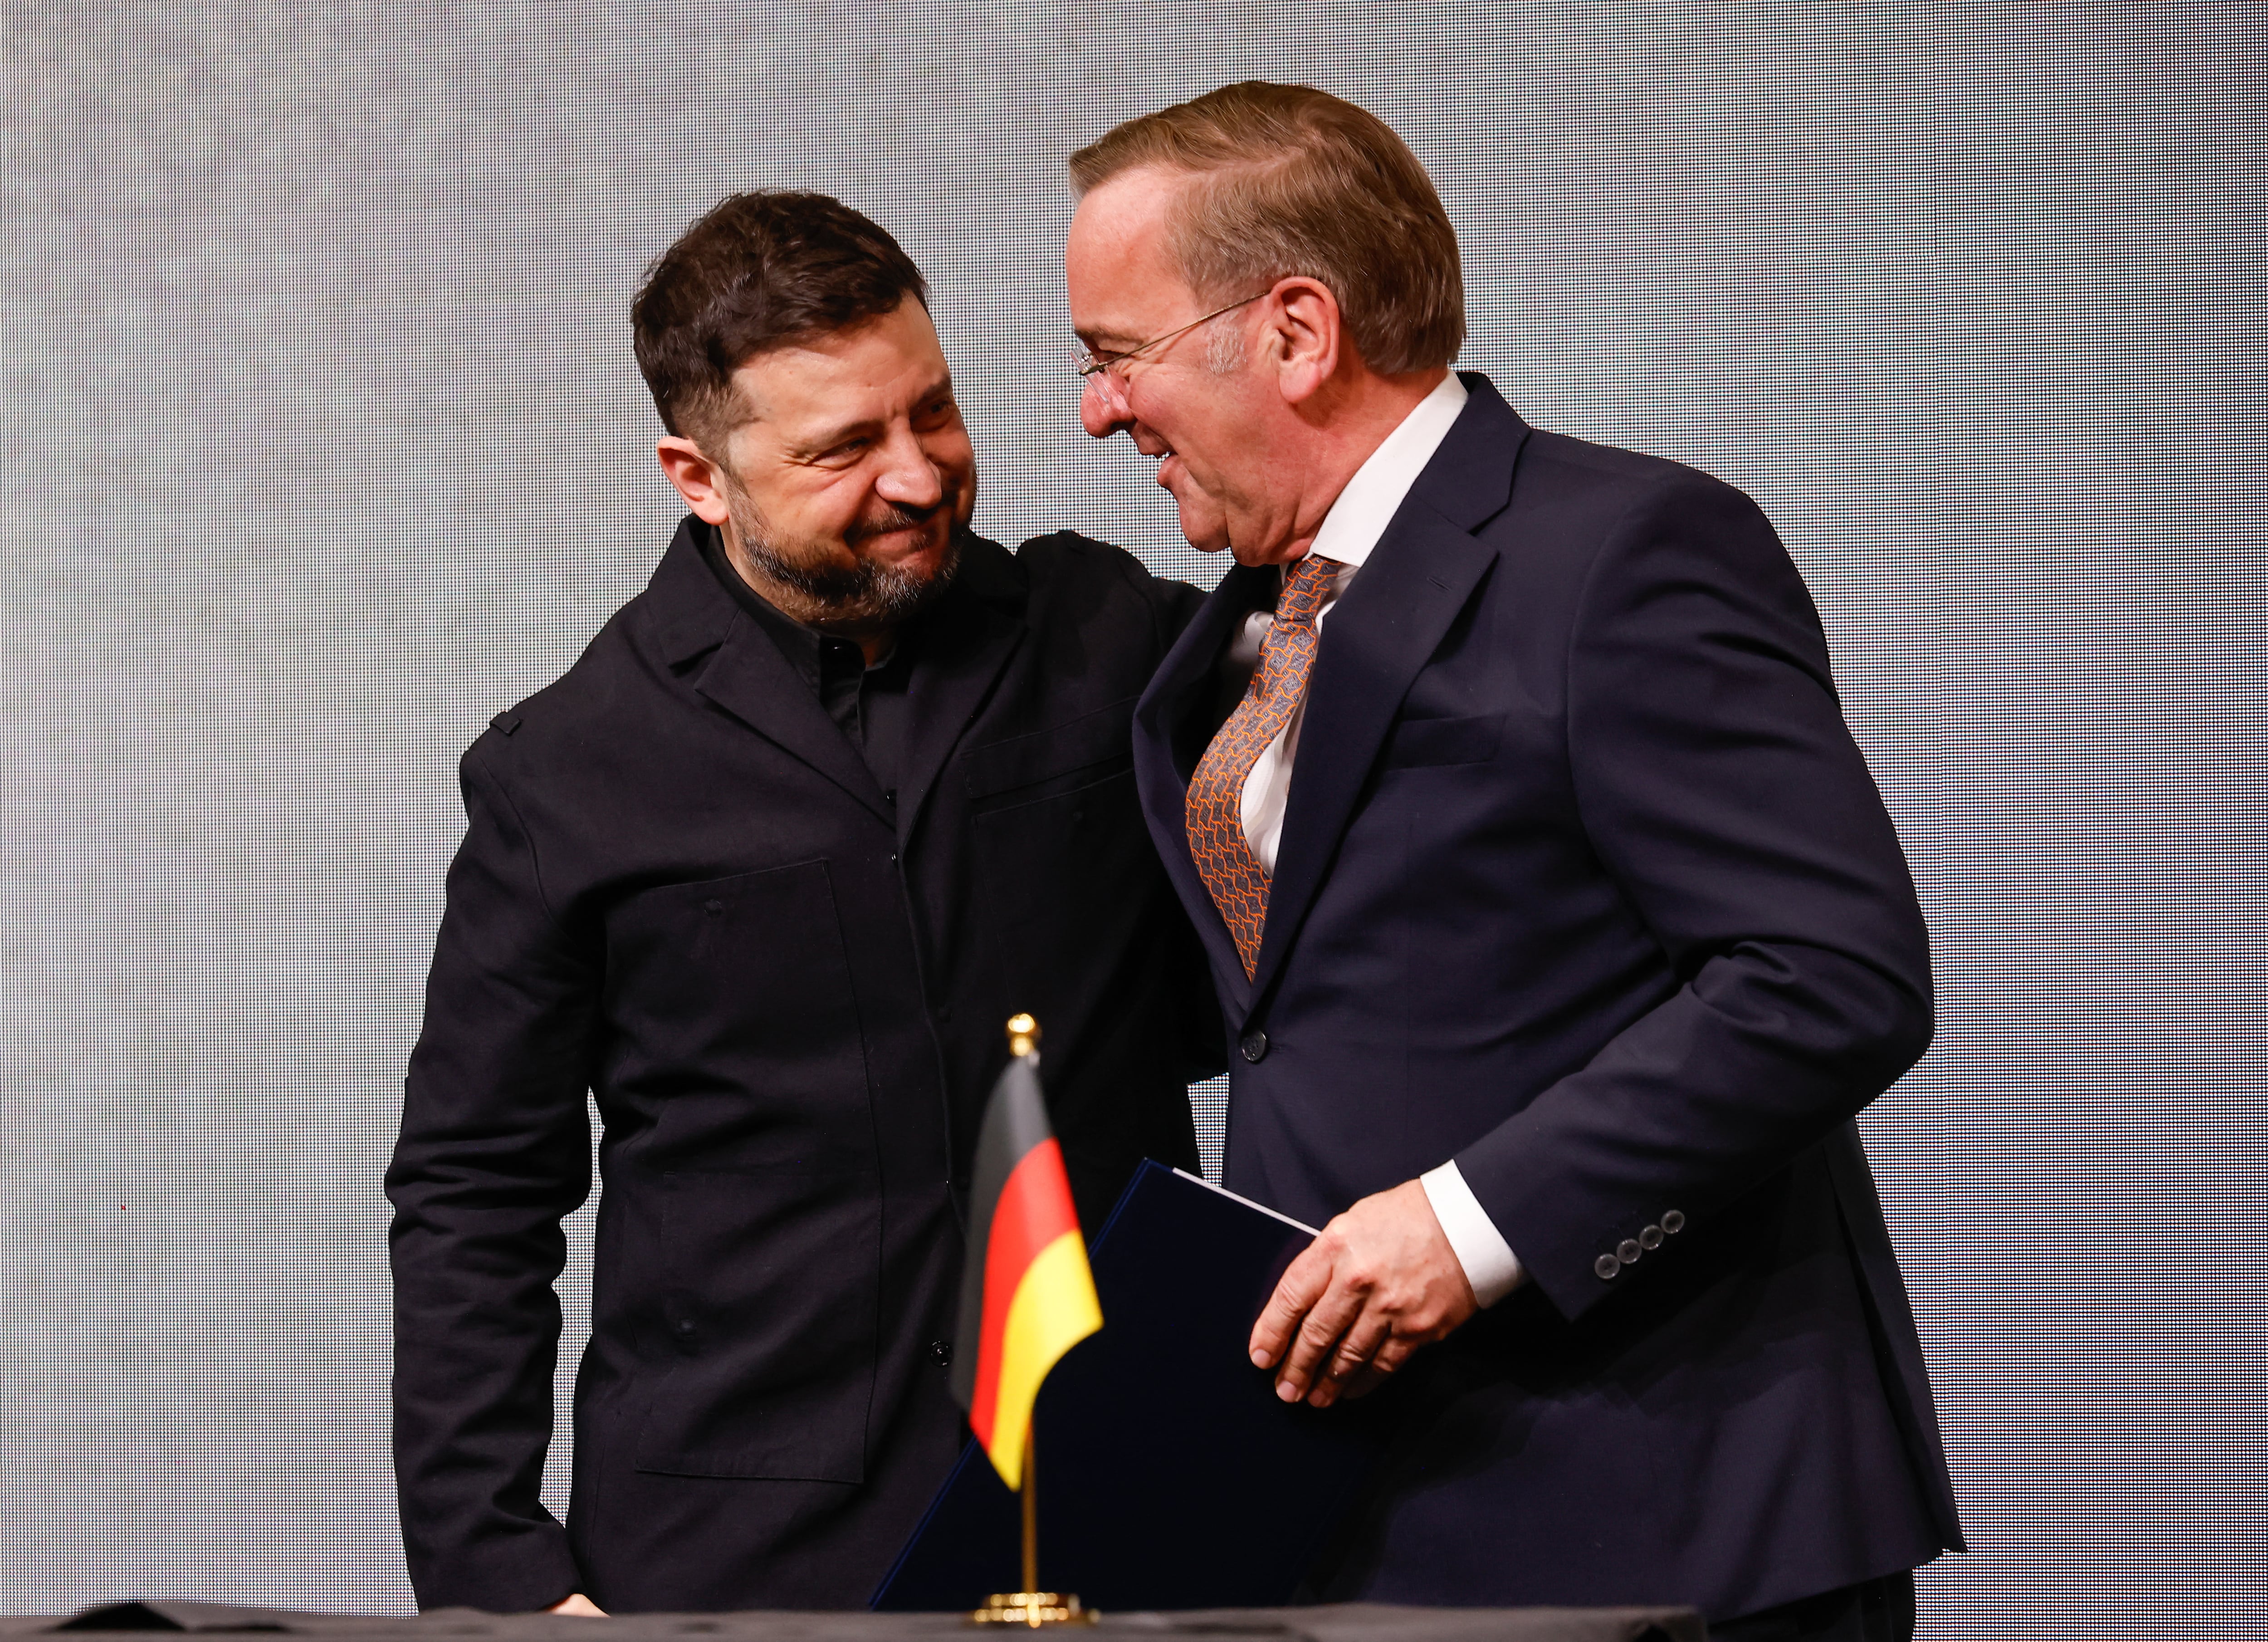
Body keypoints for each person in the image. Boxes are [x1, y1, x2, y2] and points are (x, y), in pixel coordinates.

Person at [1065, 83, 1962, 1639]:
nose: (1096, 411)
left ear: (1293, 329)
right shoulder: (1236, 632)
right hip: (1360, 1516)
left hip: (1667, 1513)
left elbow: (1832, 977)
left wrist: (1470, 1223)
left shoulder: (1622, 554)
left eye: (1115, 355)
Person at [387, 190, 1213, 1614]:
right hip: (725, 1560)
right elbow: (475, 1193)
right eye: (843, 447)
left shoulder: (1114, 640)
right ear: (697, 476)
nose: (918, 474)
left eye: (934, 411)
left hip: (1110, 1506)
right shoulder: (561, 771)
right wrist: (497, 1578)